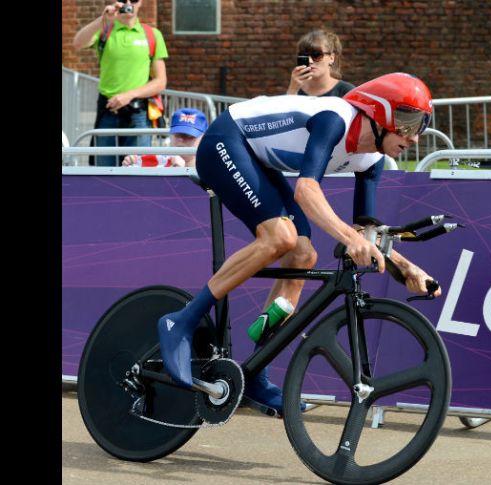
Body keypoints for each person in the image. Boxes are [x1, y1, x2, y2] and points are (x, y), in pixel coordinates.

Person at [157, 73, 440, 416]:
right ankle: (181, 321)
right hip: (226, 140)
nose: (414, 138)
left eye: (422, 126)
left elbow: (365, 231)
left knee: (303, 254)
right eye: (408, 123)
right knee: (280, 237)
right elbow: (306, 190)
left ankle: (256, 374)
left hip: (258, 159)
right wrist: (349, 239)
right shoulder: (335, 119)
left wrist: (408, 268)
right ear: (379, 112)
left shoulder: (372, 160)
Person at [72, 1, 168, 167]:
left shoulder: (152, 34)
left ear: (141, 3)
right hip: (108, 111)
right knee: (103, 171)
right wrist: (102, 20)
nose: (129, 3)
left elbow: (160, 81)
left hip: (138, 114)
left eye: (134, 0)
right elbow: (77, 43)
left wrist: (129, 95)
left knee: (137, 171)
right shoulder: (105, 30)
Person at [122, 108, 208, 168]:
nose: (181, 139)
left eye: (189, 136)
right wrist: (130, 165)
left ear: (203, 138)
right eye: (177, 134)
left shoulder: (211, 166)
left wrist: (183, 172)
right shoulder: (160, 160)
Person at [287, 30, 355, 97]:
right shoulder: (296, 90)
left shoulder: (347, 91)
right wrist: (292, 90)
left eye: (316, 55)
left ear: (331, 58)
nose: (310, 61)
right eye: (304, 55)